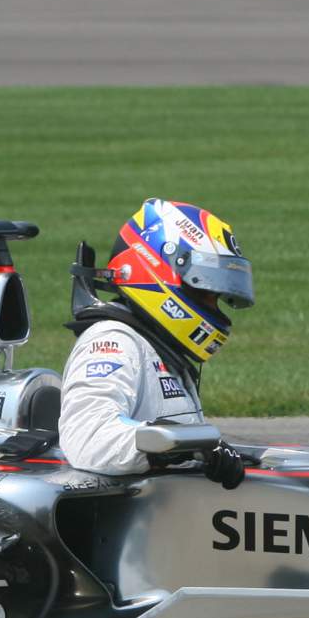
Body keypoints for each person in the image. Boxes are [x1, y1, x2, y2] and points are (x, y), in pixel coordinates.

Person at [59, 198, 255, 484]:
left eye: (217, 295)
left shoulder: (159, 348)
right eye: (204, 290)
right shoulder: (113, 341)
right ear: (156, 270)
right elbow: (88, 436)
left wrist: (195, 450)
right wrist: (176, 447)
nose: (213, 305)